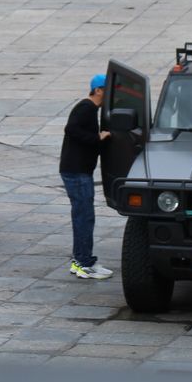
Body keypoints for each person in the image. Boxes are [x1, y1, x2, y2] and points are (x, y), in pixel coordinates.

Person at [59, 74, 113, 280]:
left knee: (81, 216)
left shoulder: (91, 109)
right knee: (84, 217)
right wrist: (96, 138)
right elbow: (71, 129)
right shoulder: (86, 108)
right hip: (77, 172)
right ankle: (85, 264)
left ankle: (79, 260)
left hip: (78, 171)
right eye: (107, 90)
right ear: (98, 90)